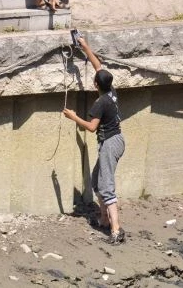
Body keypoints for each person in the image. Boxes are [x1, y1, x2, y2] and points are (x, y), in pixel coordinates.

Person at [63, 35, 126, 245]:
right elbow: (98, 65)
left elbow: (91, 128)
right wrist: (84, 46)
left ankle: (116, 230)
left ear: (95, 84)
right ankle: (104, 219)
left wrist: (73, 117)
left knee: (106, 186)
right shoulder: (111, 92)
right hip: (117, 140)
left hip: (109, 143)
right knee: (96, 180)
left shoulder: (100, 103)